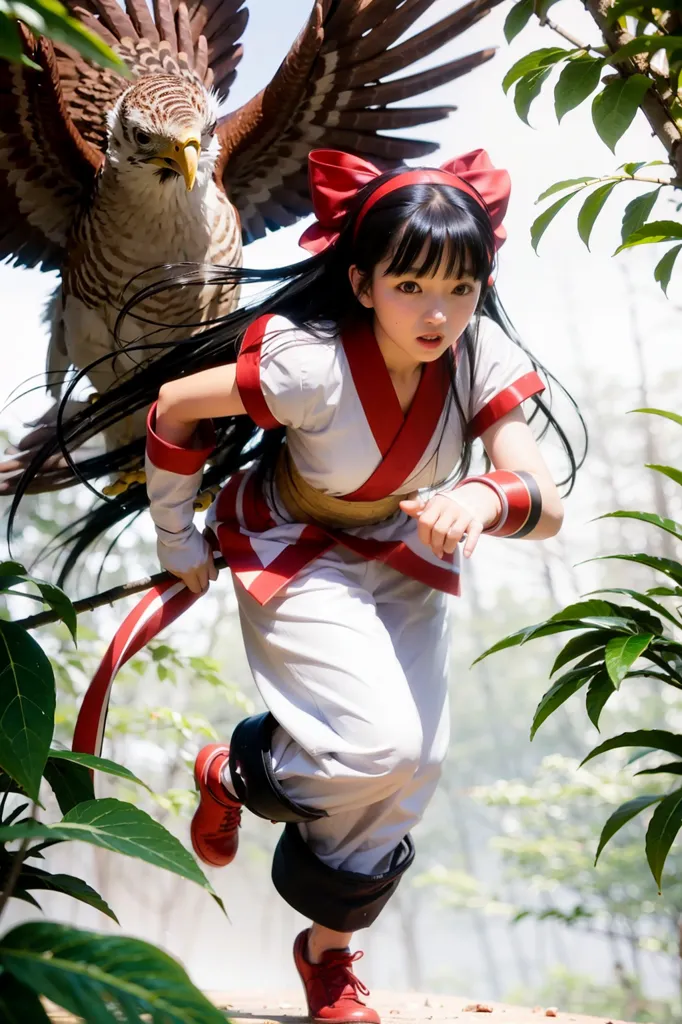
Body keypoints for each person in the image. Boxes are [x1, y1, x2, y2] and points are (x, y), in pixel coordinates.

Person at [139, 148, 578, 1023]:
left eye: (460, 287)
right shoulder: (308, 362)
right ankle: (242, 773)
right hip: (295, 544)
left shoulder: (479, 351)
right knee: (372, 748)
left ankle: (327, 955)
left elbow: (545, 500)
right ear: (362, 280)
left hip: (405, 550)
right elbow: (178, 404)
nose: (438, 312)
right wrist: (174, 532)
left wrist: (484, 495)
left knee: (415, 763)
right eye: (413, 285)